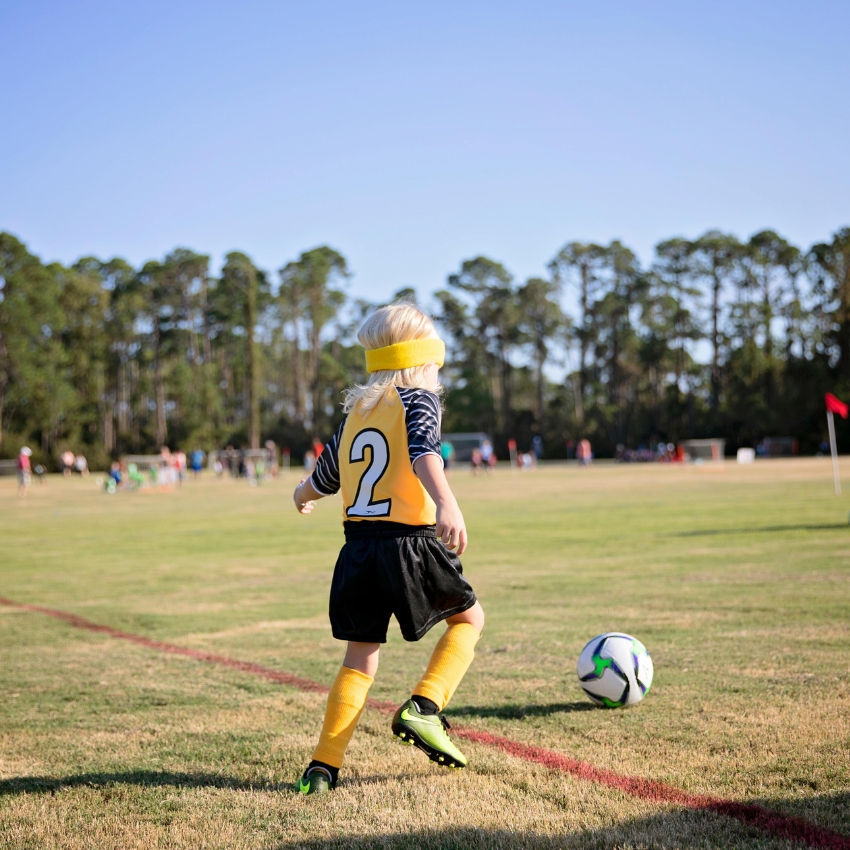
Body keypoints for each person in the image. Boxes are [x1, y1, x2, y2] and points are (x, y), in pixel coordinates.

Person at [291, 302, 484, 795]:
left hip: (356, 550)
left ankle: (322, 767)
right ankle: (424, 708)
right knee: (470, 620)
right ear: (424, 358)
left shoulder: (357, 411)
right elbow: (424, 453)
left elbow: (325, 477)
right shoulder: (418, 399)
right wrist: (447, 503)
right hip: (409, 542)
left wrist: (301, 495)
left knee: (360, 658)